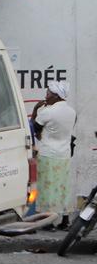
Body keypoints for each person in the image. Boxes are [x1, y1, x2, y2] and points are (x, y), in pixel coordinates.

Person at [31, 81, 77, 229]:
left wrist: (35, 109)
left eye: (48, 93)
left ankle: (47, 222)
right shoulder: (72, 112)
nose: (46, 96)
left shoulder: (48, 112)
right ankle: (65, 221)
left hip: (48, 154)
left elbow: (33, 128)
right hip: (64, 154)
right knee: (63, 187)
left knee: (47, 187)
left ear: (56, 96)